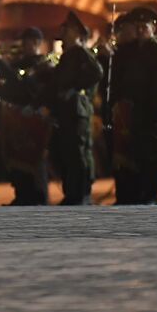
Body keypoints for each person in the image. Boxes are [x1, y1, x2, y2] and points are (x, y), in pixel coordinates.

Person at [111, 7, 157, 204]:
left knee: (152, 152)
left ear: (153, 27)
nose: (141, 30)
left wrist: (150, 105)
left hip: (151, 108)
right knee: (139, 153)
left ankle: (152, 192)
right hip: (135, 109)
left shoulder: (156, 50)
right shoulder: (135, 49)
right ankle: (143, 192)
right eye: (138, 26)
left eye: (145, 26)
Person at [48, 12, 103, 205]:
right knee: (68, 152)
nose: (64, 32)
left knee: (79, 152)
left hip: (77, 109)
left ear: (77, 33)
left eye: (68, 29)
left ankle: (81, 192)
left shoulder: (80, 52)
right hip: (66, 110)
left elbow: (97, 73)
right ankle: (71, 192)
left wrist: (75, 88)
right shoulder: (67, 56)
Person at [0, 27, 54, 205]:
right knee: (17, 161)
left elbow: (44, 91)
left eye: (28, 42)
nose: (25, 45)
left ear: (37, 43)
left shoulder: (46, 65)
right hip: (18, 120)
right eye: (24, 42)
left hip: (37, 121)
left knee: (36, 162)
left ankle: (39, 197)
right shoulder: (17, 65)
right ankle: (22, 196)